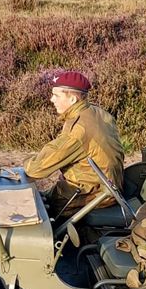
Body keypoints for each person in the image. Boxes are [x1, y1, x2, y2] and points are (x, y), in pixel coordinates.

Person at [23, 70, 125, 219]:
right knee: (41, 196)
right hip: (105, 187)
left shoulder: (78, 130)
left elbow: (35, 170)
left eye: (56, 95)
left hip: (93, 195)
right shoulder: (98, 113)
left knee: (34, 215)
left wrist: (25, 161)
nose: (52, 99)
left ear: (72, 99)